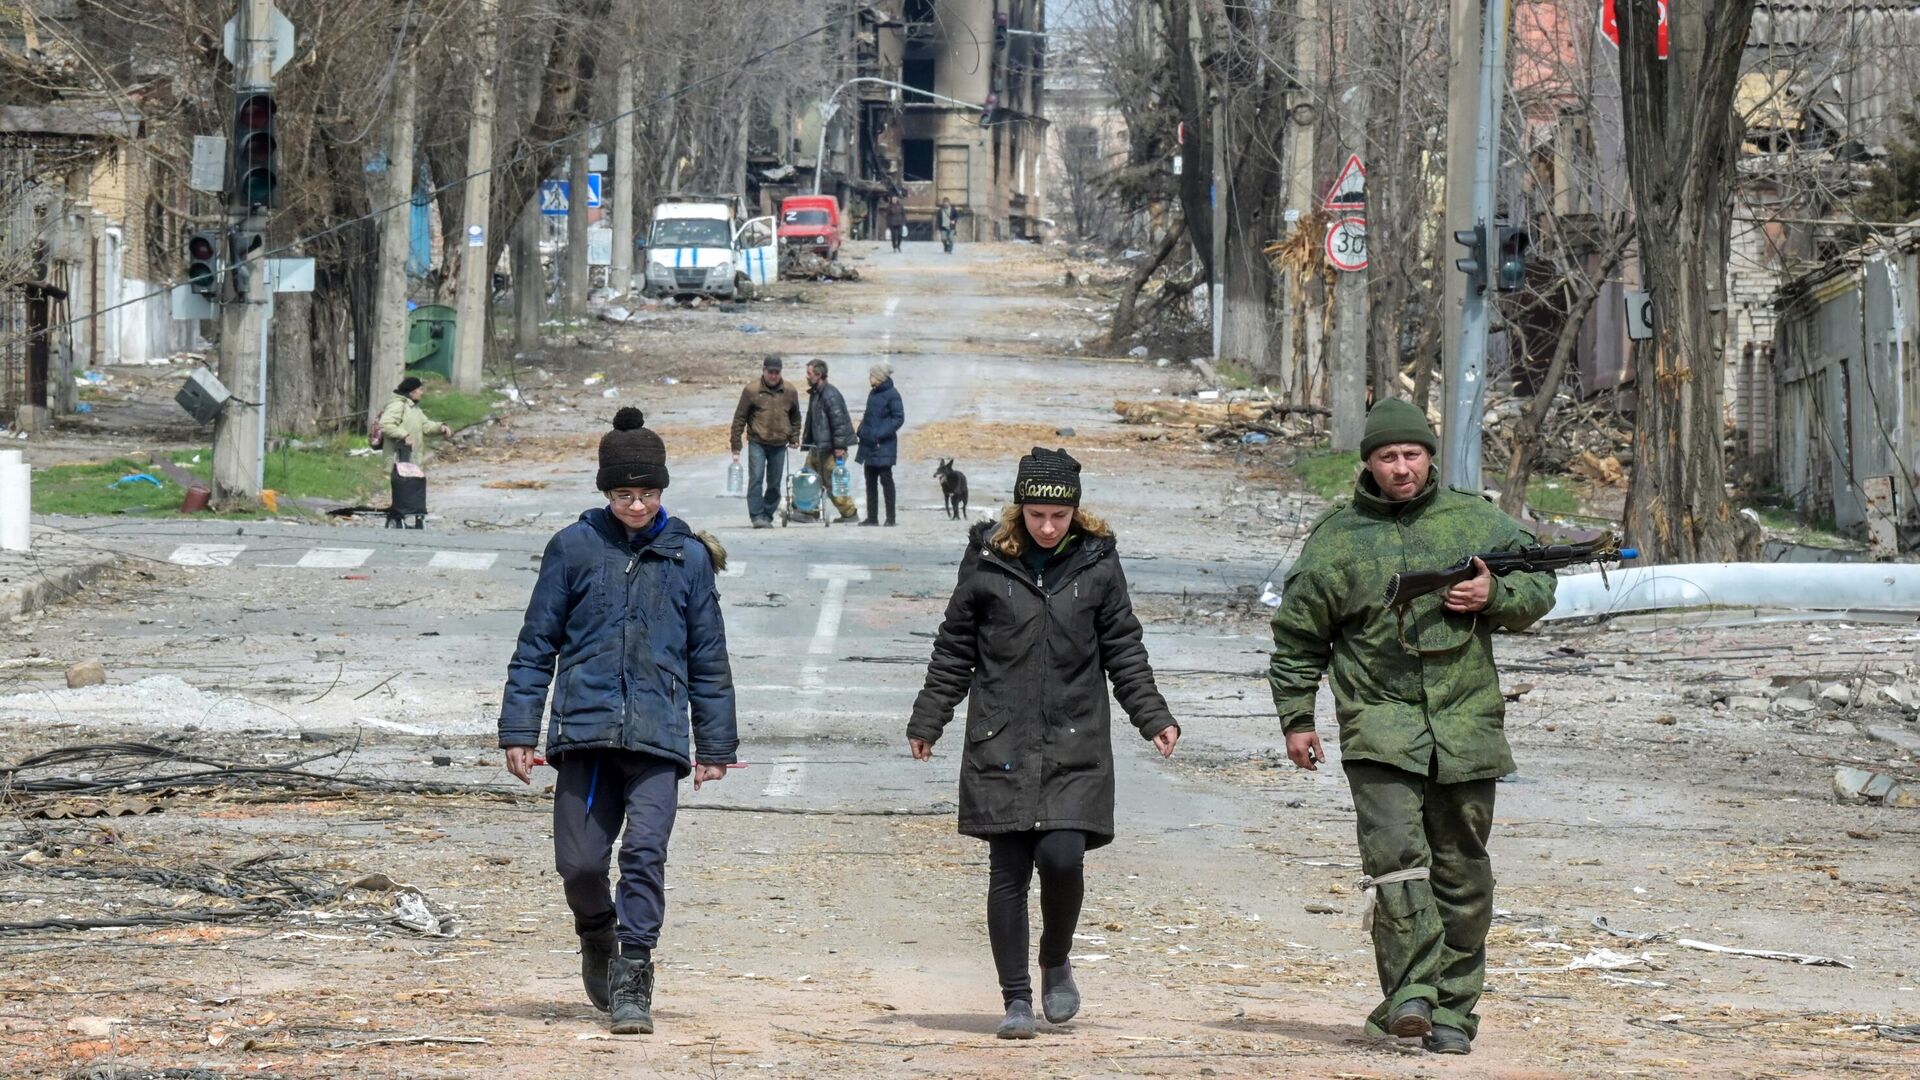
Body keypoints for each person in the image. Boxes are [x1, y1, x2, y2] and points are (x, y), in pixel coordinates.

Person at [1267, 400, 1556, 1056]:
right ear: (1367, 462)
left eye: (1412, 454)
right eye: (1388, 457)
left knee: (1463, 872)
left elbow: (1539, 581)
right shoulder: (1337, 538)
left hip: (1466, 726)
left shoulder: (1474, 519)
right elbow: (1298, 638)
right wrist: (1296, 717)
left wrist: (1496, 598)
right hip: (1380, 728)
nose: (1402, 468)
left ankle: (1454, 1010)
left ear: (1429, 456)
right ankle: (1411, 995)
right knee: (1397, 864)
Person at [909, 447, 1179, 1040]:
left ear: (1075, 512)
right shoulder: (985, 563)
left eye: (1058, 516)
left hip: (1075, 737)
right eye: (1036, 515)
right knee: (1007, 869)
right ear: (1020, 510)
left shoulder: (1098, 563)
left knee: (1062, 857)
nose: (1048, 527)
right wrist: (930, 717)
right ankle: (1016, 1000)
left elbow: (1124, 649)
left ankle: (1055, 961)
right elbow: (955, 647)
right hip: (1000, 737)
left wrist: (1152, 715)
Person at [500, 407, 737, 1037]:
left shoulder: (687, 558)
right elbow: (535, 644)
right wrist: (519, 732)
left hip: (658, 739)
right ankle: (597, 934)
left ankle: (634, 975)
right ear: (606, 493)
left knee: (644, 854)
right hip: (585, 735)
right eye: (624, 494)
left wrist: (715, 744)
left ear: (663, 492)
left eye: (648, 494)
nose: (636, 505)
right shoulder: (574, 548)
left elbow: (709, 660)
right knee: (579, 864)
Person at [729, 355, 802, 528]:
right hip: (757, 442)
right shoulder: (752, 390)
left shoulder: (789, 391)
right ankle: (756, 516)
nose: (773, 376)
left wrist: (794, 437)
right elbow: (740, 418)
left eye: (777, 372)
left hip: (779, 444)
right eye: (770, 372)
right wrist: (736, 445)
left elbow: (795, 417)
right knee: (756, 478)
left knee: (775, 483)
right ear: (764, 371)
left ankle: (767, 514)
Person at [378, 376, 451, 528]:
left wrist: (440, 427)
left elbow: (425, 425)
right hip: (398, 455)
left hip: (411, 456)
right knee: (401, 485)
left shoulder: (414, 408)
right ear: (411, 392)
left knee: (412, 485)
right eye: (420, 389)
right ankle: (399, 516)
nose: (422, 393)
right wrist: (403, 435)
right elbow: (385, 424)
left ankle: (411, 515)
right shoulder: (398, 405)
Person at [802, 359, 859, 523]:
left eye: (809, 373)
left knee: (833, 481)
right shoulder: (816, 393)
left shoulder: (830, 394)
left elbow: (839, 422)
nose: (806, 377)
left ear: (819, 375)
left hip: (832, 449)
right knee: (808, 476)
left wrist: (840, 447)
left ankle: (849, 513)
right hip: (818, 446)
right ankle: (808, 511)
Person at [856, 362, 903, 527]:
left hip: (884, 445)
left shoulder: (892, 394)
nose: (870, 378)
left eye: (872, 375)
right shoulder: (873, 394)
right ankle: (872, 517)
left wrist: (879, 433)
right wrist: (861, 430)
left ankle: (891, 518)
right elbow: (868, 416)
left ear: (880, 378)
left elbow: (898, 418)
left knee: (886, 480)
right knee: (870, 481)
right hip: (869, 444)